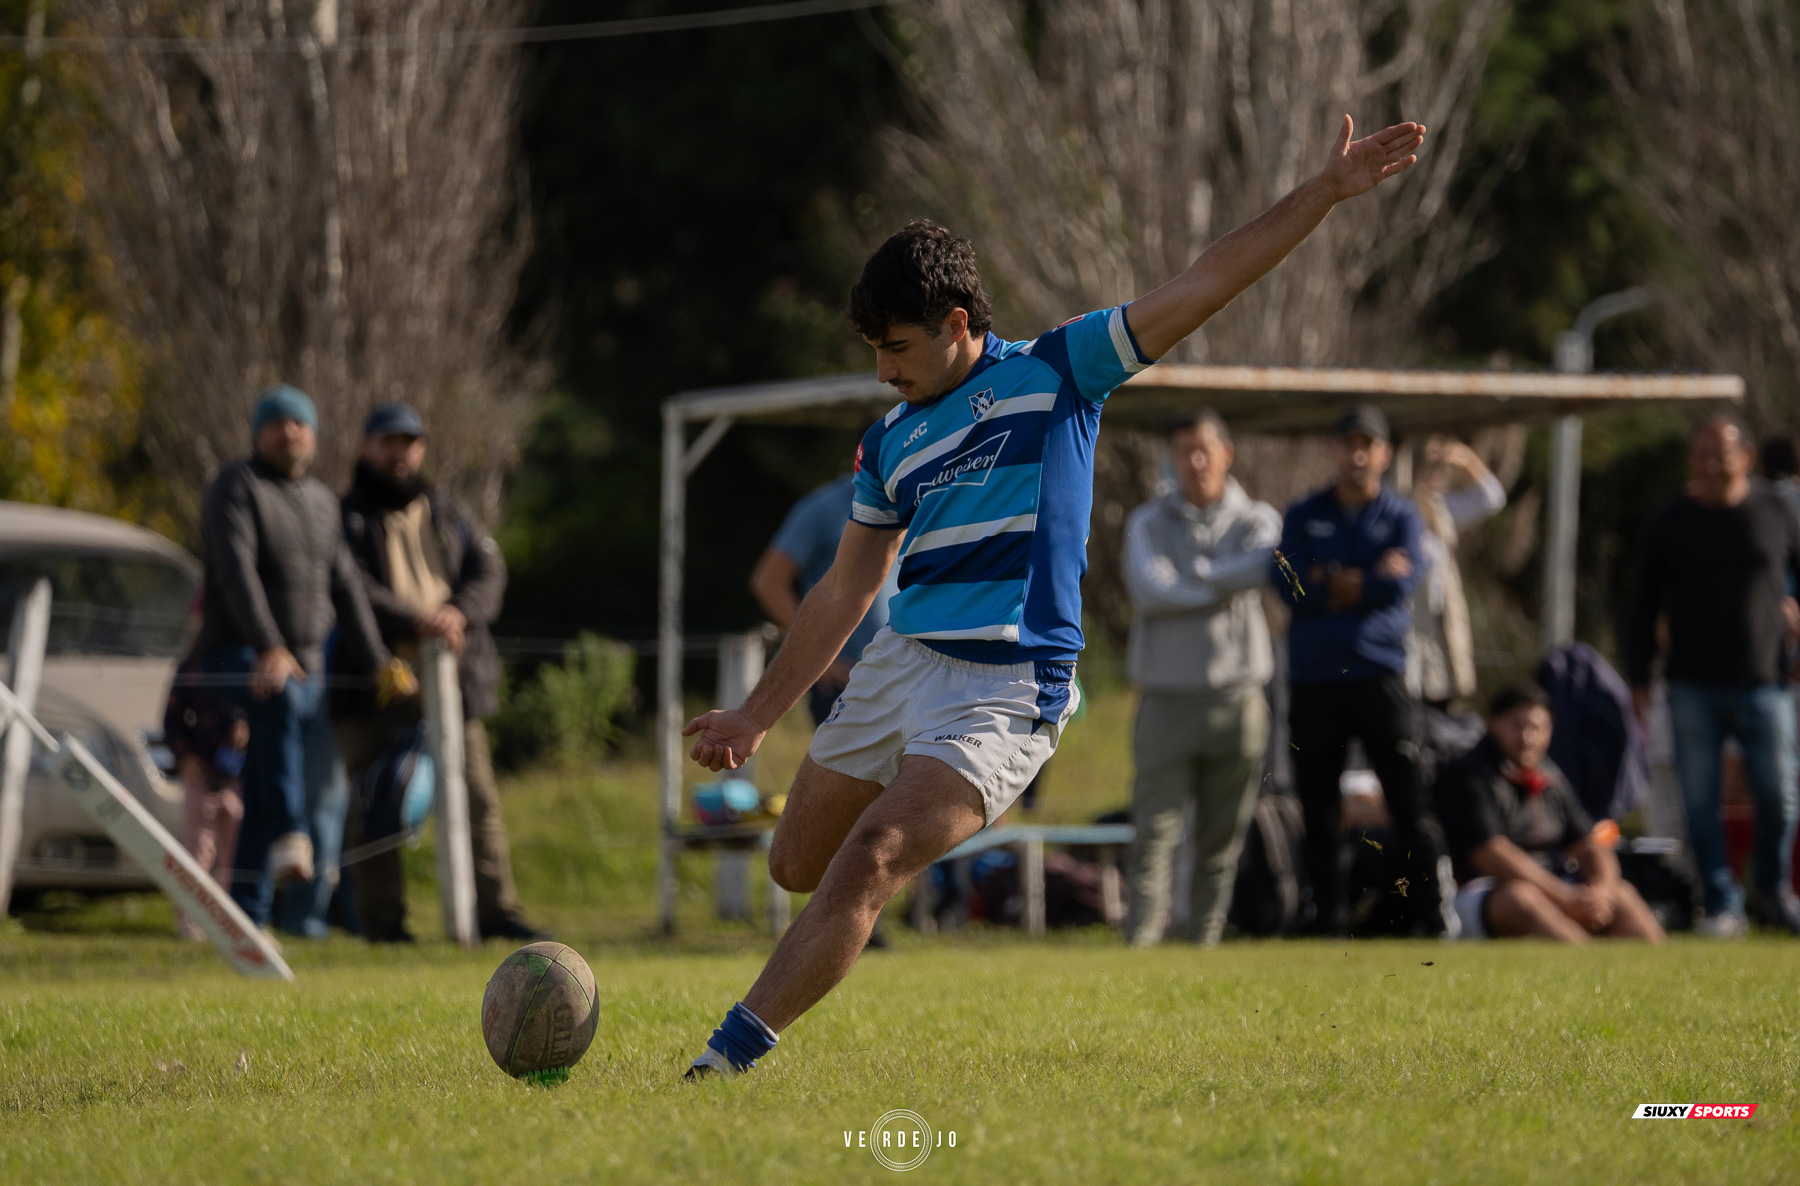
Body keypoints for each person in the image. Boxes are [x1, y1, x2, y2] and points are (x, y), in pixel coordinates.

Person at [678, 114, 1430, 1078]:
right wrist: (755, 714)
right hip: (903, 665)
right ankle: (889, 847)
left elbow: (1205, 282)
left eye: (896, 346)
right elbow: (840, 592)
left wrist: (1323, 193)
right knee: (795, 865)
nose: (881, 370)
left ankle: (725, 1059)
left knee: (868, 858)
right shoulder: (887, 442)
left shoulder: (1061, 371)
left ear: (958, 323)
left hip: (1005, 689)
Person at [196, 384, 405, 932]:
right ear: (258, 432)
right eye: (278, 422)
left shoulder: (321, 503)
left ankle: (252, 916)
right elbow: (234, 573)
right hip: (234, 654)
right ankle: (290, 834)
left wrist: (379, 659)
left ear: (313, 437)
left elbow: (348, 589)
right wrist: (270, 646)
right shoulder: (234, 487)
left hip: (308, 671)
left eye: (300, 424)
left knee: (283, 773)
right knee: (279, 710)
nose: (290, 432)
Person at [336, 402, 545, 943]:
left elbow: (489, 571)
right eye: (387, 441)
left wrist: (456, 613)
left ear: (421, 448)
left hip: (454, 678)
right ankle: (382, 923)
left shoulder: (449, 509)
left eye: (408, 442)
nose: (398, 453)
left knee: (479, 798)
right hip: (377, 681)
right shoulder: (347, 517)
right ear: (366, 447)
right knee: (371, 802)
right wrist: (418, 620)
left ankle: (496, 912)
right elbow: (351, 588)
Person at [1273, 403, 1454, 937]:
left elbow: (1399, 584)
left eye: (1368, 444)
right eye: (1348, 442)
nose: (1357, 454)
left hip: (1381, 676)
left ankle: (1429, 912)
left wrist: (1331, 580)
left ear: (1384, 453)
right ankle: (1325, 917)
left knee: (1409, 802)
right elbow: (1289, 586)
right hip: (1315, 679)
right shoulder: (1304, 513)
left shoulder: (1400, 515)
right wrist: (1360, 581)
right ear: (1334, 450)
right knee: (1318, 806)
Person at [1625, 415, 1800, 936]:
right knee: (1700, 802)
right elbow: (1642, 602)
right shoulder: (1671, 520)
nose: (1710, 462)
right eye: (1700, 452)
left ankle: (1771, 890)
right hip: (1690, 685)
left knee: (1779, 795)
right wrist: (1638, 676)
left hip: (1765, 682)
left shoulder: (1777, 511)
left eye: (1721, 452)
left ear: (1745, 457)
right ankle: (1722, 903)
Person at [1119, 409, 1280, 946]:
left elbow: (1265, 567)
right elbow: (1149, 590)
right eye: (1183, 451)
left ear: (1226, 453)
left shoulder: (1256, 517)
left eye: (1204, 450)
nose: (1195, 462)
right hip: (1166, 700)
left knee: (1222, 839)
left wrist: (1193, 577)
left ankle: (1203, 943)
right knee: (1154, 835)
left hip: (1241, 703)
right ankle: (1140, 945)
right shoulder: (1146, 521)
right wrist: (1223, 583)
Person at [1434, 683, 1665, 943]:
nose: (1527, 737)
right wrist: (1563, 896)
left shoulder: (1550, 774)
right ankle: (1589, 966)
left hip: (1550, 886)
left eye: (1536, 728)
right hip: (1476, 893)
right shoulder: (1470, 775)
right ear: (1492, 724)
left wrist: (1602, 890)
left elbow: (1591, 845)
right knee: (1522, 899)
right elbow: (1491, 854)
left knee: (1622, 894)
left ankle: (1666, 974)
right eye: (1517, 725)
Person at [750, 475, 894, 726]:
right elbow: (769, 581)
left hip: (901, 674)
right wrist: (815, 656)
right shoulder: (823, 508)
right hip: (845, 680)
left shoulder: (916, 501)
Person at [1407, 437, 1505, 709]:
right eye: (1429, 468)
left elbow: (1492, 497)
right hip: (1405, 625)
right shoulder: (1396, 508)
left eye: (1440, 470)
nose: (1436, 476)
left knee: (1437, 701)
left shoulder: (1442, 511)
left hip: (1438, 626)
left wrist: (1466, 458)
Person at [164, 646, 247, 941]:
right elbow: (171, 719)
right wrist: (185, 757)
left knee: (235, 851)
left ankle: (232, 921)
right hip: (200, 770)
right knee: (198, 846)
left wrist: (246, 730)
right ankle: (191, 918)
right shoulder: (192, 666)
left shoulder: (248, 660)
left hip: (238, 772)